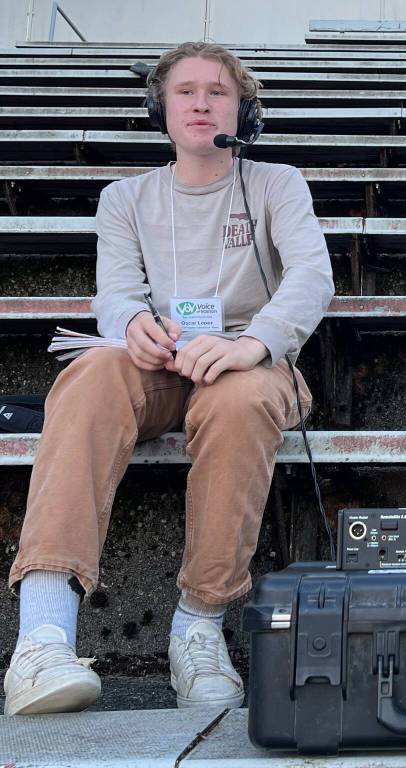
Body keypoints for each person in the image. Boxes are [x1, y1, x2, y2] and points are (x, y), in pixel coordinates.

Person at [4, 42, 333, 715]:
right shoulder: (125, 198)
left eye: (218, 91)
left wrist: (254, 344)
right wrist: (133, 325)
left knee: (239, 401)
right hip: (160, 364)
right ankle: (42, 636)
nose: (201, 103)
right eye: (185, 91)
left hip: (250, 363)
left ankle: (198, 628)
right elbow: (116, 292)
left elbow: (311, 275)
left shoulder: (277, 183)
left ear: (243, 111)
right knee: (91, 374)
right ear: (161, 108)